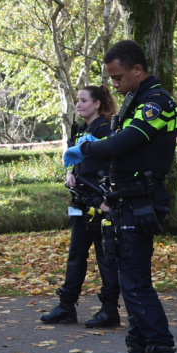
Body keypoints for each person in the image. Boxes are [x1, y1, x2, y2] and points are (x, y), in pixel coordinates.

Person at [75, 39, 177, 353]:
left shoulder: (156, 102)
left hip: (141, 202)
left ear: (137, 70)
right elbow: (118, 140)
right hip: (127, 199)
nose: (115, 85)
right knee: (129, 281)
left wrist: (85, 147)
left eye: (119, 77)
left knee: (137, 285)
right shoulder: (136, 99)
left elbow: (121, 144)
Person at [39, 84, 120, 328]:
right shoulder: (83, 129)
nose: (79, 104)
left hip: (100, 202)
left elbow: (113, 163)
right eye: (78, 101)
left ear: (97, 104)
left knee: (105, 257)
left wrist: (109, 199)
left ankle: (109, 310)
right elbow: (81, 159)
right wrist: (71, 173)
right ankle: (66, 306)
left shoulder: (107, 129)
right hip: (83, 201)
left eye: (84, 100)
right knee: (76, 255)